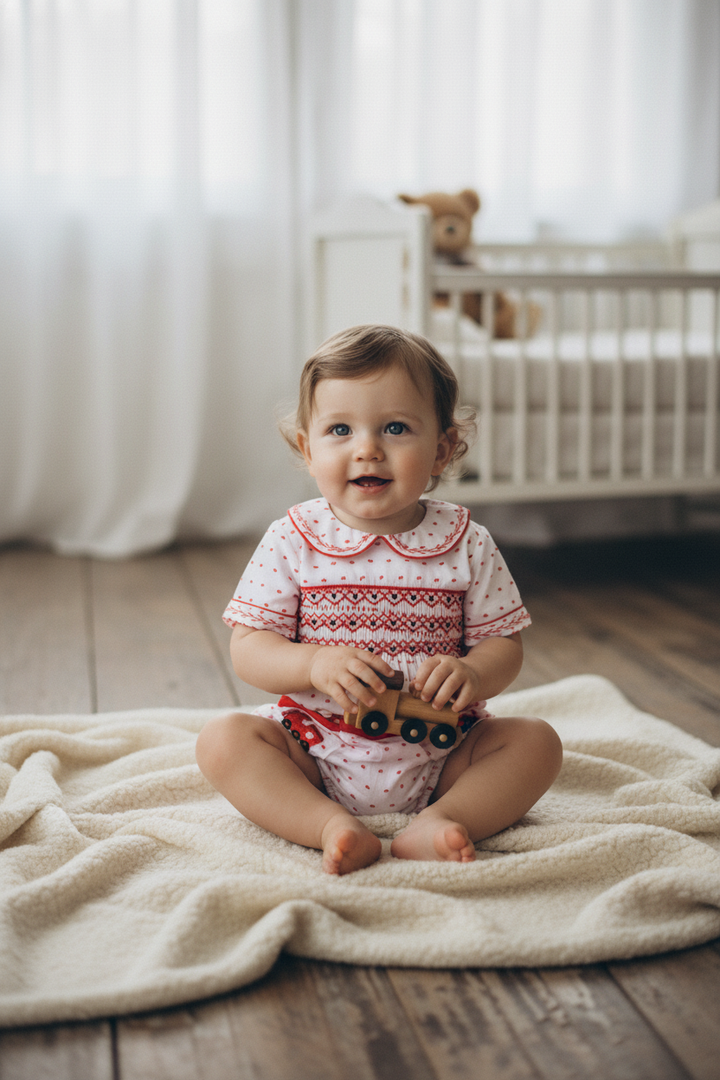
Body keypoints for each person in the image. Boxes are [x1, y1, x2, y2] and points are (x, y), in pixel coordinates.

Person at [196, 325, 563, 874]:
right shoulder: (293, 537)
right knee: (223, 741)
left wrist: (474, 675)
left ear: (442, 449)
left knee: (537, 743)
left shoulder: (467, 542)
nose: (367, 448)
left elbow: (502, 644)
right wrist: (313, 662)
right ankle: (326, 823)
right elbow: (249, 648)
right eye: (340, 429)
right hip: (315, 748)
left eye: (395, 428)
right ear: (308, 448)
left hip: (444, 753)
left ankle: (442, 819)